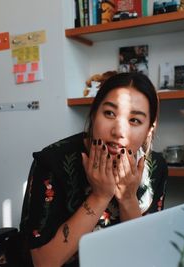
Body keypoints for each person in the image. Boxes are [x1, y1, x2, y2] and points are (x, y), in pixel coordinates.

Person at [19, 72, 168, 267]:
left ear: (149, 129)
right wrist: (99, 196)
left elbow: (143, 256)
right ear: (93, 113)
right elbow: (44, 262)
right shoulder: (52, 161)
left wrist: (128, 198)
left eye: (135, 121)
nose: (118, 132)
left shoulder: (154, 168)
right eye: (109, 113)